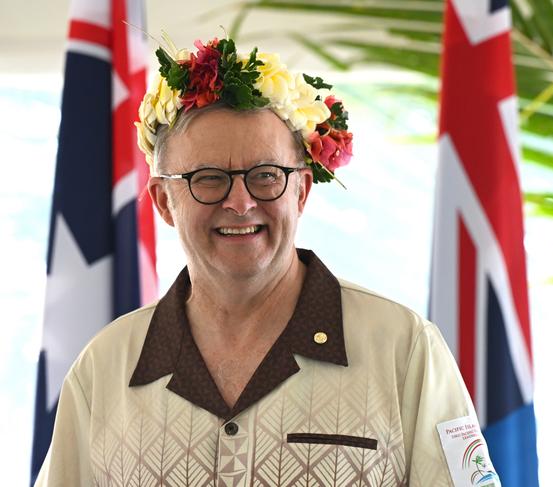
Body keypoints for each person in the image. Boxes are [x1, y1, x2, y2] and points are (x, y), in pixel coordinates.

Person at [35, 36, 499, 487]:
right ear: (162, 201)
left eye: (265, 176)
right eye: (209, 179)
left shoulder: (405, 351)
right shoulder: (104, 369)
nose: (240, 202)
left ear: (301, 190)